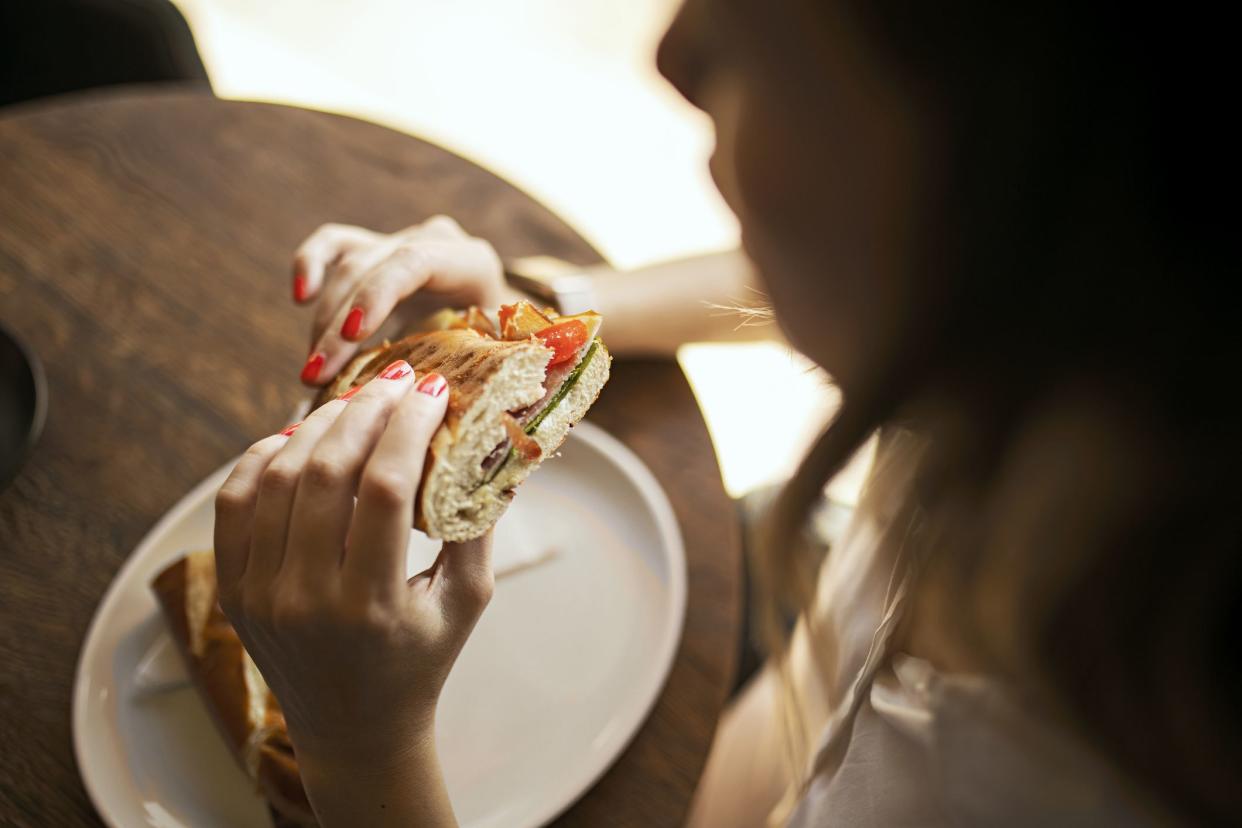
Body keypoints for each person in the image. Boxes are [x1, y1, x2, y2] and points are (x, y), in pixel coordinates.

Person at [212, 1, 1237, 826]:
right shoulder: (1089, 378)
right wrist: (539, 322)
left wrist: (362, 748)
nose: (671, 52)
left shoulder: (1042, 782)